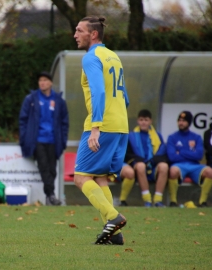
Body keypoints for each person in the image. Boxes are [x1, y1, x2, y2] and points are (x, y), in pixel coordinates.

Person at [73, 16, 129, 245]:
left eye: (79, 30)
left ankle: (113, 217)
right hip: (120, 125)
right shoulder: (113, 56)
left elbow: (99, 92)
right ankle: (115, 235)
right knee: (101, 178)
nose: (75, 35)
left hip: (102, 125)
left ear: (93, 34)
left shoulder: (91, 57)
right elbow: (124, 96)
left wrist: (96, 128)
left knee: (80, 177)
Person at [19, 71, 69, 206]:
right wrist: (24, 139)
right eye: (40, 80)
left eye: (45, 80)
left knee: (52, 170)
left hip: (54, 140)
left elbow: (65, 123)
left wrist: (63, 141)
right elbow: (23, 120)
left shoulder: (59, 100)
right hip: (38, 140)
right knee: (44, 167)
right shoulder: (31, 99)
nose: (42, 82)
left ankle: (48, 197)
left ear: (51, 83)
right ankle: (51, 195)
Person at [167, 111, 212, 207]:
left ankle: (202, 202)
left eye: (184, 121)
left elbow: (199, 155)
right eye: (179, 120)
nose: (181, 123)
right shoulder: (172, 137)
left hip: (194, 165)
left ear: (189, 122)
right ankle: (173, 202)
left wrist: (181, 152)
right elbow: (172, 156)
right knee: (172, 171)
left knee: (210, 172)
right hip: (179, 165)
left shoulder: (196, 137)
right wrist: (190, 153)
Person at [124, 109, 169, 207]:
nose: (143, 122)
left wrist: (155, 159)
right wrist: (138, 159)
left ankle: (158, 200)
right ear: (137, 121)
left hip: (153, 165)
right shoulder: (131, 136)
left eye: (146, 120)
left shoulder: (158, 135)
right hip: (138, 166)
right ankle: (147, 199)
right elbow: (127, 154)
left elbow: (163, 151)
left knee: (164, 166)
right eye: (141, 120)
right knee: (140, 166)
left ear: (150, 121)